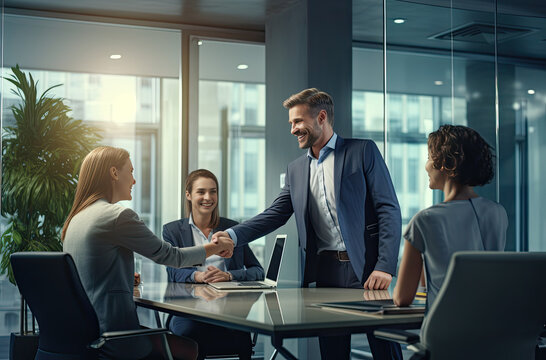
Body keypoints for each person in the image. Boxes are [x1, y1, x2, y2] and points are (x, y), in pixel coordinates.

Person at [213, 88, 403, 360]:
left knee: (385, 348)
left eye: (298, 121)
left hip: (367, 269)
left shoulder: (362, 151)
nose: (293, 129)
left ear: (321, 117)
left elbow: (388, 209)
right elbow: (275, 214)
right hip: (326, 271)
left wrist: (385, 265)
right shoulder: (296, 169)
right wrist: (233, 235)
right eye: (291, 122)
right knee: (332, 352)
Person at [62, 146, 234, 360]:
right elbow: (172, 256)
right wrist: (216, 247)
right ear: (114, 173)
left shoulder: (76, 219)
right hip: (115, 337)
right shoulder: (117, 216)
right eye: (131, 171)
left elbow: (89, 273)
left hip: (85, 333)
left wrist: (122, 279)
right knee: (188, 349)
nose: (134, 180)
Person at [393, 125, 508, 313]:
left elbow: (402, 297)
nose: (427, 165)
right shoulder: (498, 213)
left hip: (445, 334)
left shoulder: (425, 220)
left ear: (448, 164)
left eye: (430, 158)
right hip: (491, 329)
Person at [163, 169, 264, 360]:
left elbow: (257, 270)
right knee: (188, 335)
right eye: (201, 192)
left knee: (241, 335)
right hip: (188, 309)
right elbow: (172, 271)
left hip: (229, 310)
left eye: (213, 191)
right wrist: (197, 276)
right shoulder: (172, 230)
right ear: (188, 195)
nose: (208, 197)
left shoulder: (233, 229)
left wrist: (230, 276)